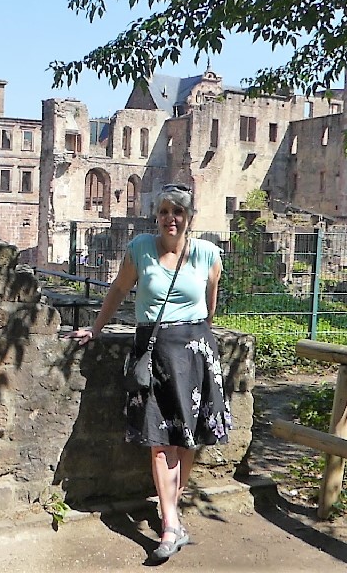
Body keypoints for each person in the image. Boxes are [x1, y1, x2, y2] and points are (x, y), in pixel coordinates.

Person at [65, 183, 231, 562]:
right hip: (154, 352)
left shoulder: (207, 254)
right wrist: (96, 328)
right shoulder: (140, 249)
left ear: (189, 218)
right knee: (160, 440)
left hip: (194, 353)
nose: (171, 219)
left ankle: (171, 513)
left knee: (188, 439)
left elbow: (210, 307)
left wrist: (199, 343)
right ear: (156, 217)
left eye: (178, 212)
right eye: (164, 212)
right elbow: (118, 290)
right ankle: (170, 524)